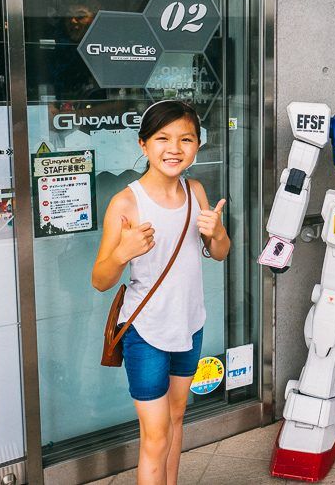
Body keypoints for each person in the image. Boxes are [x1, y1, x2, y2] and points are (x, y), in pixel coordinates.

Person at [91, 100, 230, 485]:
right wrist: (123, 252)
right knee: (154, 436)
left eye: (186, 139)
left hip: (190, 324)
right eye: (162, 138)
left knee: (177, 417)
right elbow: (100, 279)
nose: (174, 148)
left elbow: (220, 253)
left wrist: (217, 233)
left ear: (198, 145)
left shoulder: (197, 190)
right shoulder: (126, 202)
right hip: (146, 331)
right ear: (143, 145)